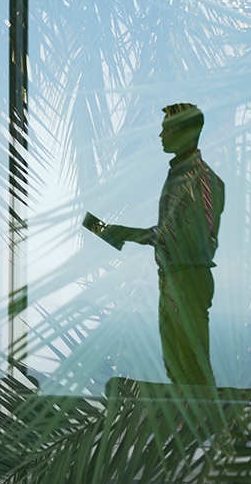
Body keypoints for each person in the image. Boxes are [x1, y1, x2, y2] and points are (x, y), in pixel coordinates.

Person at [83, 103, 225, 387]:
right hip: (175, 277)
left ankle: (202, 423)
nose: (161, 136)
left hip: (188, 278)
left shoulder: (201, 179)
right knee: (176, 365)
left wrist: (116, 233)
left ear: (186, 133)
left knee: (191, 365)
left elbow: (183, 237)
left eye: (167, 130)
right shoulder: (182, 175)